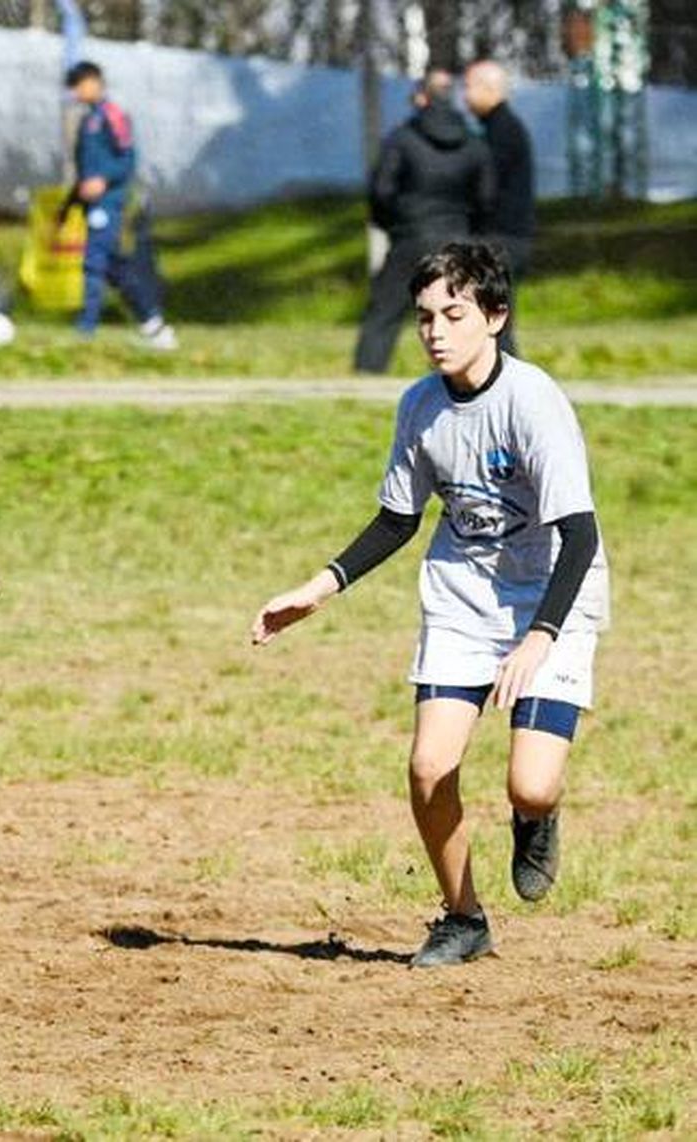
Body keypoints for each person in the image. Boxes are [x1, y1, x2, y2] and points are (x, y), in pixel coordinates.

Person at [254, 241, 608, 968]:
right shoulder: (419, 405)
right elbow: (396, 519)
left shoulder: (533, 400)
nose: (436, 332)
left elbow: (579, 534)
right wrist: (318, 590)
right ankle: (462, 917)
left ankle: (533, 818)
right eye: (424, 318)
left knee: (531, 783)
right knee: (427, 768)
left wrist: (540, 636)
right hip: (464, 597)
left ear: (496, 317)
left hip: (552, 595)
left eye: (454, 314)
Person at [353, 73, 495, 373]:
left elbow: (381, 190)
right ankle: (471, 372)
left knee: (384, 312)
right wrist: (470, 228)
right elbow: (487, 197)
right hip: (459, 237)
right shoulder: (474, 143)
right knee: (463, 310)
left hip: (411, 237)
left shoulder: (402, 140)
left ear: (421, 98)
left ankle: (368, 373)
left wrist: (393, 223)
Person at [62, 61, 176, 350]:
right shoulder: (89, 119)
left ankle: (85, 331)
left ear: (95, 82)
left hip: (109, 203)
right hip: (92, 204)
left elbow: (128, 159)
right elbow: (86, 169)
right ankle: (153, 322)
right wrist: (71, 204)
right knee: (113, 267)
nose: (75, 91)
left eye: (79, 84)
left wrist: (103, 180)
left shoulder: (112, 115)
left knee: (94, 262)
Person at [464, 60, 535, 355]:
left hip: (501, 235)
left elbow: (487, 187)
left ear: (490, 90)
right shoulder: (497, 127)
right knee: (489, 315)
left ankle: (506, 377)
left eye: (468, 87)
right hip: (505, 234)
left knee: (493, 318)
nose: (465, 96)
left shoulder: (501, 131)